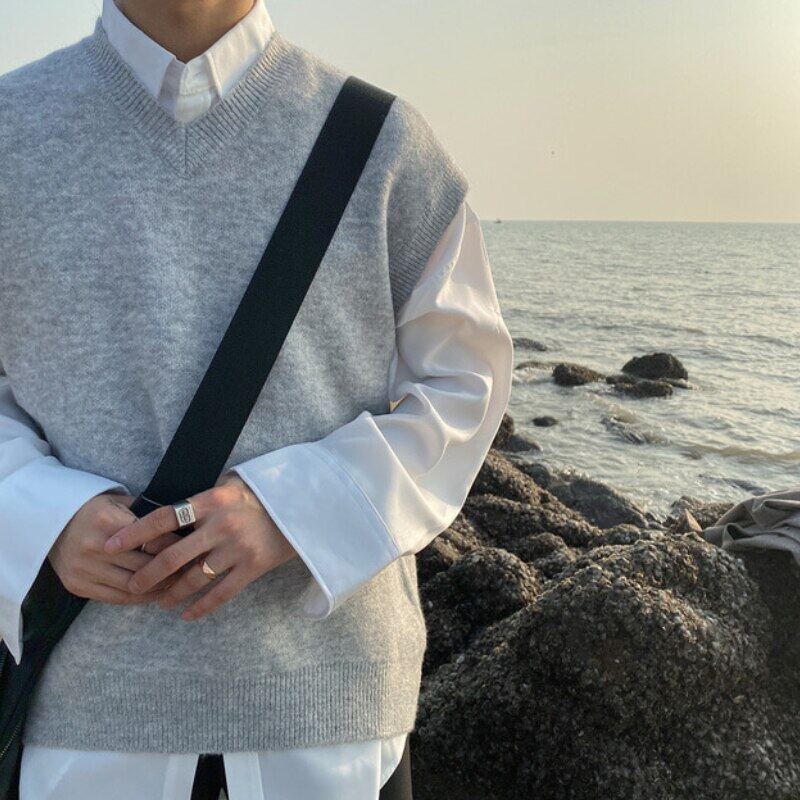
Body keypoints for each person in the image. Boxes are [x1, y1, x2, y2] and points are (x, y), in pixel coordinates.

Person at [0, 1, 514, 797]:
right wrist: (42, 513)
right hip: (77, 717)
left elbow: (465, 384)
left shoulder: (384, 143)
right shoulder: (11, 133)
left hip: (335, 725)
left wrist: (294, 509)